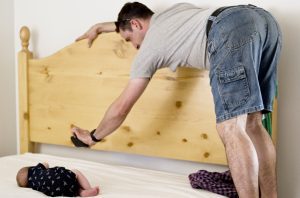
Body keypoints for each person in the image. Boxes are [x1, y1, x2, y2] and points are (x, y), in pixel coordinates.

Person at [71, 2, 282, 198]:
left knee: (231, 127)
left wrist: (93, 137)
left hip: (230, 30)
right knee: (253, 124)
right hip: (264, 22)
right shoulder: (173, 13)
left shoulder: (150, 47)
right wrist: (100, 27)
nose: (134, 47)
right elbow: (129, 22)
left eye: (129, 40)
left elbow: (121, 108)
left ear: (135, 24)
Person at [16, 162, 100, 197]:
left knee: (72, 189)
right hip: (62, 178)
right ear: (30, 168)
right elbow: (46, 163)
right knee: (75, 172)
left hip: (54, 191)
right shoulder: (35, 169)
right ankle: (88, 189)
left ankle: (81, 192)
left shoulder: (32, 184)